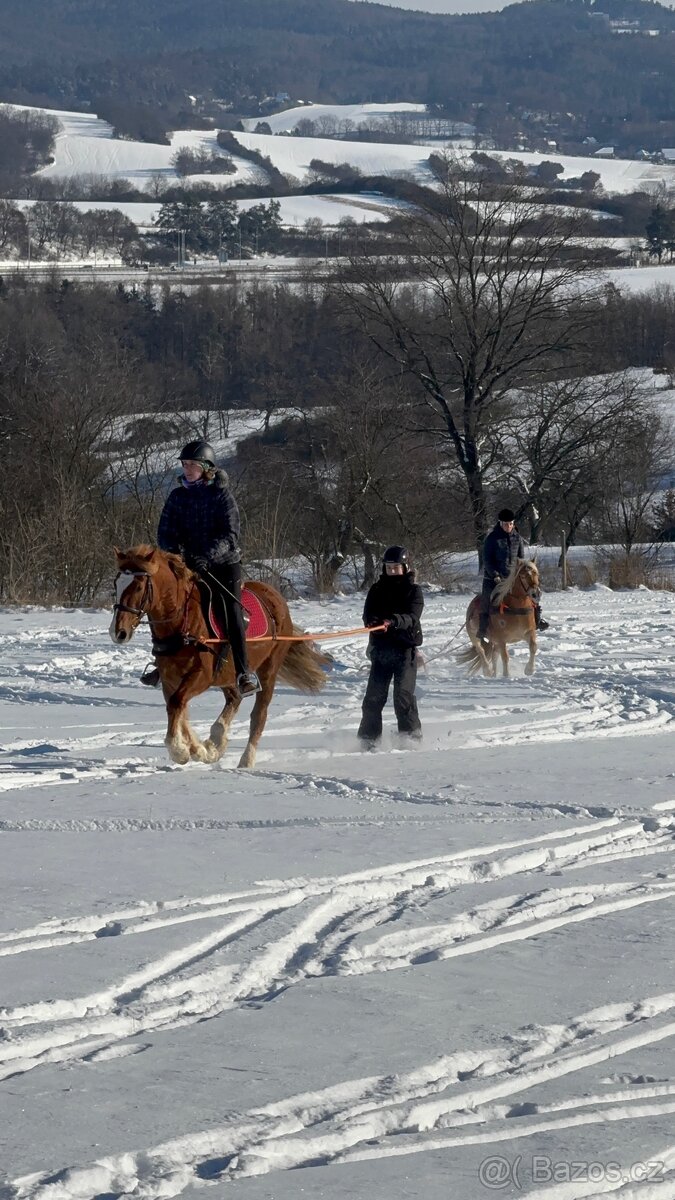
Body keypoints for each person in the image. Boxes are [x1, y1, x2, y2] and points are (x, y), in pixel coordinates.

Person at [144, 439, 260, 695]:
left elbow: (230, 535)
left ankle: (243, 672)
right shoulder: (177, 497)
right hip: (187, 565)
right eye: (185, 464)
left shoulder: (221, 496)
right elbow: (165, 533)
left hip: (223, 564)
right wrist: (178, 554)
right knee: (166, 606)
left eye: (192, 465)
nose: (187, 469)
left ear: (206, 468)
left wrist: (207, 556)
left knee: (230, 610)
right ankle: (161, 663)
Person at [357, 545, 424, 748]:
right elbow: (367, 614)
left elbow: (412, 617)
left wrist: (393, 621)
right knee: (373, 698)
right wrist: (372, 622)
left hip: (404, 650)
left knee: (402, 697)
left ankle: (410, 739)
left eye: (396, 567)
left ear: (405, 567)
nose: (392, 571)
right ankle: (368, 740)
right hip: (381, 650)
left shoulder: (414, 591)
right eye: (389, 567)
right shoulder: (377, 589)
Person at [478, 507, 548, 646]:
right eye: (506, 524)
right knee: (487, 598)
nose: (509, 526)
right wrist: (495, 575)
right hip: (493, 577)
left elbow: (521, 559)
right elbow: (487, 560)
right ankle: (483, 628)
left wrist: (522, 573)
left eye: (511, 523)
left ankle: (537, 619)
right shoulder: (492, 539)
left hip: (512, 577)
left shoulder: (517, 538)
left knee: (531, 592)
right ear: (500, 523)